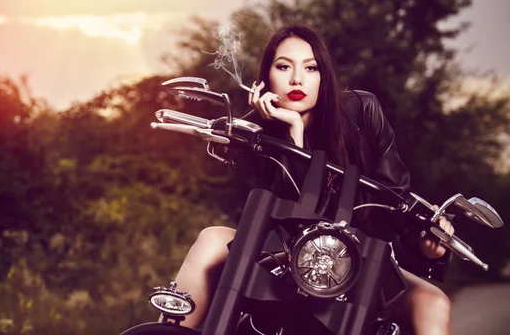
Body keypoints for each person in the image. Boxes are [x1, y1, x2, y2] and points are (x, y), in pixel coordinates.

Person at [169, 25, 454, 334]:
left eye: (310, 67)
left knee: (433, 303)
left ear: (324, 75)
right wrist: (293, 132)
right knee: (211, 238)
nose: (296, 79)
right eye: (283, 66)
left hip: (362, 260)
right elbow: (284, 216)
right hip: (286, 254)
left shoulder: (362, 111)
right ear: (265, 78)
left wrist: (427, 243)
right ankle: (169, 330)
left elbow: (393, 202)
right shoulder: (250, 134)